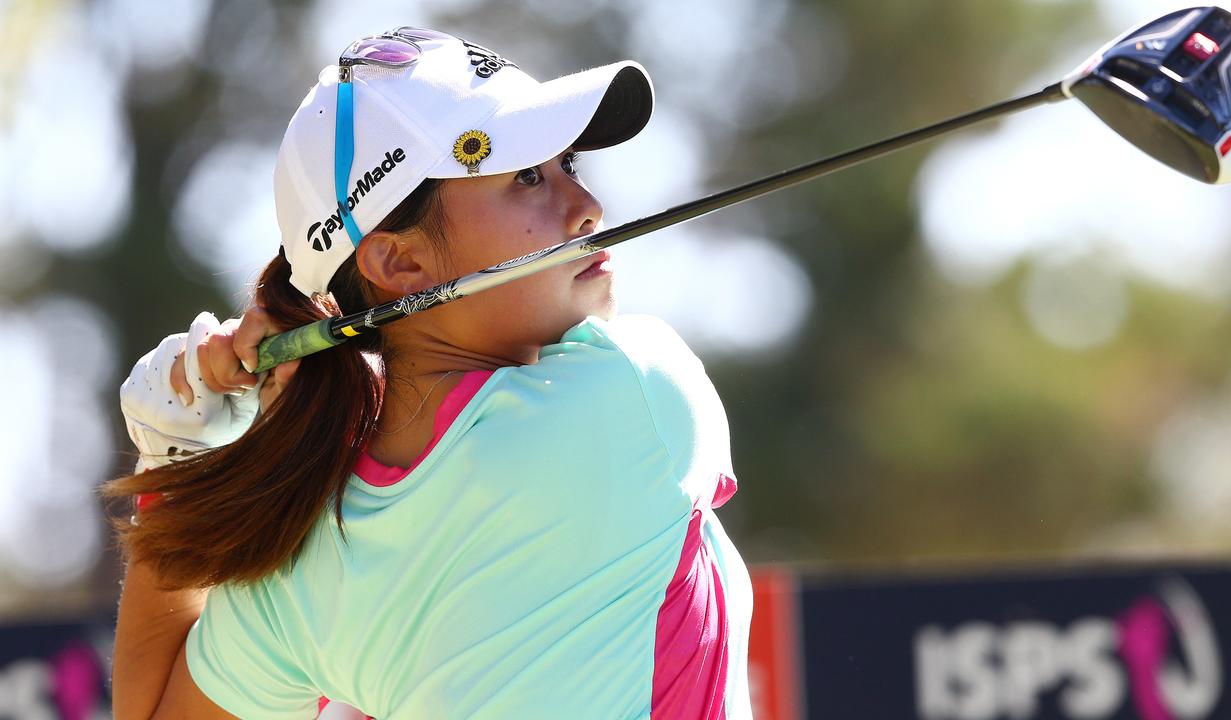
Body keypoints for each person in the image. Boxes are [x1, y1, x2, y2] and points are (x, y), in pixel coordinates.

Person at [107, 26, 753, 719]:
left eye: (568, 163)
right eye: (528, 177)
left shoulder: (301, 558)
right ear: (399, 264)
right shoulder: (639, 391)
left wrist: (175, 459)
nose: (586, 206)